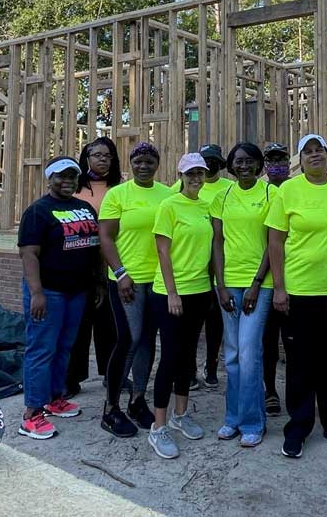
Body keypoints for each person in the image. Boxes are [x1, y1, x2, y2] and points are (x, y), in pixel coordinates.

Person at [267, 133, 327, 458]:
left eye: (319, 150)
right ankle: (299, 427)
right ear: (300, 160)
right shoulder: (288, 191)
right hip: (299, 291)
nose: (315, 155)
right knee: (300, 363)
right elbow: (275, 242)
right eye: (308, 151)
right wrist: (279, 287)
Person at [17, 156, 103, 440]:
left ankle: (55, 398)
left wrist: (99, 282)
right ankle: (32, 413)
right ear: (49, 179)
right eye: (61, 177)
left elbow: (94, 248)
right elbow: (29, 253)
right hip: (49, 292)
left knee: (64, 347)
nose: (67, 182)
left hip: (77, 290)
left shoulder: (84, 207)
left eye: (72, 177)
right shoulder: (38, 211)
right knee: (41, 349)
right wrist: (37, 293)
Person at [97, 141, 171, 437]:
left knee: (147, 342)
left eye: (149, 161)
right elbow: (105, 237)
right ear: (130, 163)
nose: (143, 166)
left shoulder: (168, 194)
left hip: (156, 280)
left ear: (158, 163)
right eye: (138, 161)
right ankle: (110, 409)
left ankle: (137, 400)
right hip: (126, 280)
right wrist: (121, 272)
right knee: (128, 339)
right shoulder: (118, 194)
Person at [147, 153, 215, 459]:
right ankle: (157, 427)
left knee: (187, 357)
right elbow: (163, 251)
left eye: (200, 173)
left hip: (200, 290)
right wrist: (172, 292)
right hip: (170, 294)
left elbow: (211, 250)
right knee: (171, 358)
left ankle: (180, 413)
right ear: (180, 175)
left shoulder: (206, 207)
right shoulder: (169, 205)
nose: (196, 179)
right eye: (191, 174)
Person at [211, 142, 274, 447]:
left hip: (259, 285)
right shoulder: (222, 196)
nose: (244, 165)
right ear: (231, 165)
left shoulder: (270, 194)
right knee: (233, 353)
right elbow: (218, 243)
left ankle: (253, 422)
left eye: (250, 161)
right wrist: (220, 285)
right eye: (238, 161)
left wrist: (256, 283)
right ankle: (233, 418)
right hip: (228, 284)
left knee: (249, 351)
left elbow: (274, 243)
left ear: (259, 164)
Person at [65, 137, 121, 398]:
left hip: (113, 266)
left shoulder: (119, 189)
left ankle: (112, 375)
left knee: (111, 326)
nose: (102, 159)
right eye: (97, 155)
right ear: (86, 158)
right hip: (81, 266)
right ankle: (73, 378)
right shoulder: (75, 189)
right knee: (79, 325)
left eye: (107, 155)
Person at [173, 143, 231, 388]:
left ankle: (211, 365)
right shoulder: (180, 188)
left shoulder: (229, 188)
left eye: (214, 162)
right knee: (192, 326)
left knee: (215, 323)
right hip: (192, 267)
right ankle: (189, 369)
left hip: (218, 263)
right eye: (208, 161)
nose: (210, 166)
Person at [261, 142, 290, 417]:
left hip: (297, 278)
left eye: (281, 158)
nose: (277, 164)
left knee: (294, 342)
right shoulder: (261, 192)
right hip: (268, 280)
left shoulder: (296, 190)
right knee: (268, 342)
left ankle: (296, 392)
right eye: (271, 159)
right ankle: (270, 390)